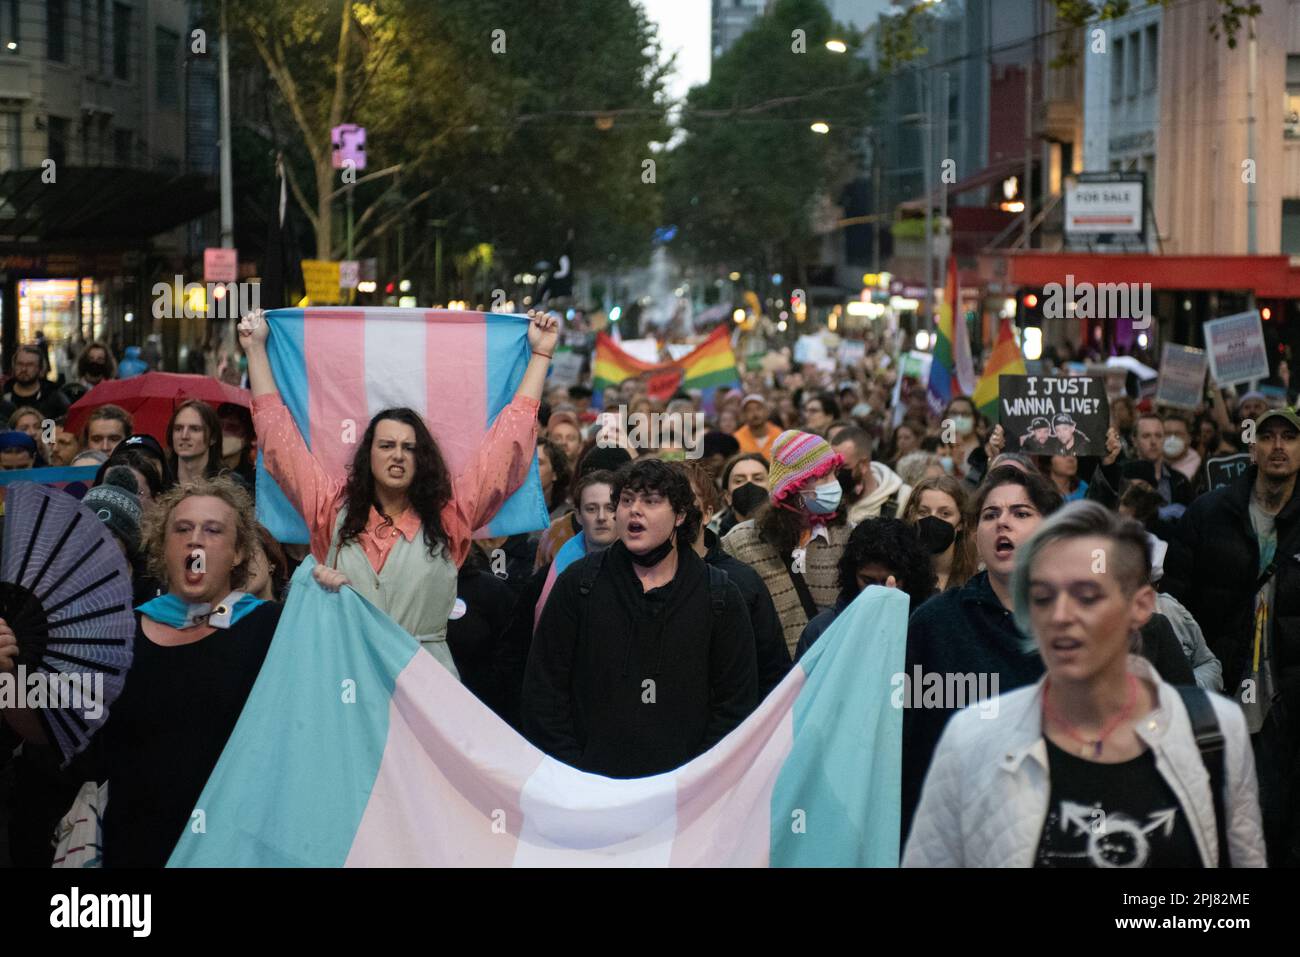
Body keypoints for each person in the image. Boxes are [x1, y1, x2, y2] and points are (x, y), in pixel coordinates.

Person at [904, 501, 1266, 868]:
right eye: (1044, 597)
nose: (1062, 616)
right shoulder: (970, 739)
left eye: (1087, 595)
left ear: (1140, 607)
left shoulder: (1214, 732)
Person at [240, 307, 557, 678]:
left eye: (409, 448)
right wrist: (255, 350)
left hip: (424, 685)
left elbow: (510, 446)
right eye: (387, 445)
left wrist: (541, 355)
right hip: (345, 677)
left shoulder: (449, 516)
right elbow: (280, 444)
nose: (398, 455)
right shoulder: (329, 510)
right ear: (367, 453)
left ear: (422, 459)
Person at [0, 476, 282, 867]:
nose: (195, 540)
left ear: (237, 553)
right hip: (136, 849)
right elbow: (48, 732)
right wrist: (6, 676)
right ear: (161, 547)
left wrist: (336, 594)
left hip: (232, 852)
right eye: (182, 529)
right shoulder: (116, 638)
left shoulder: (273, 628)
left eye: (213, 530)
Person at [521, 458, 758, 777]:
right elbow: (543, 691)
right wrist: (577, 773)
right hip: (589, 789)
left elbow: (736, 706)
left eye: (651, 501)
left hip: (687, 796)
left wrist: (695, 780)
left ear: (680, 515)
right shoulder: (579, 584)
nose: (635, 510)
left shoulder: (720, 595)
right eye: (627, 500)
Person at [1163, 406, 1300, 865]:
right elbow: (1175, 604)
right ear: (1252, 447)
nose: (1278, 446)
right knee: (1213, 813)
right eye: (1268, 437)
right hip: (1221, 687)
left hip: (1286, 696)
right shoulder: (1209, 512)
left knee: (1276, 817)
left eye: (1290, 438)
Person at [722, 430, 851, 658]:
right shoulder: (741, 542)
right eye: (822, 476)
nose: (833, 484)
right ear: (793, 486)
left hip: (833, 672)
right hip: (774, 682)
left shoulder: (849, 535)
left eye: (834, 473)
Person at [678, 460, 791, 700]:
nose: (678, 508)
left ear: (708, 512)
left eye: (687, 498)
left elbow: (771, 670)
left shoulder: (740, 581)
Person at [795, 518, 936, 661]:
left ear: (909, 577)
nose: (879, 590)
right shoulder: (822, 631)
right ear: (852, 576)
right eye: (869, 581)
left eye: (889, 581)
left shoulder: (930, 630)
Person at [900, 474, 977, 592]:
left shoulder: (976, 579)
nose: (933, 519)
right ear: (912, 516)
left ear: (961, 522)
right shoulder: (899, 573)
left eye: (945, 514)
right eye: (923, 512)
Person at [830, 425, 911, 522]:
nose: (837, 473)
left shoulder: (903, 498)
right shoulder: (830, 496)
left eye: (843, 466)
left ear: (863, 464)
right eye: (833, 467)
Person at [3, 344, 70, 420]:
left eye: (30, 365)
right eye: (20, 364)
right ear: (13, 366)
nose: (24, 369)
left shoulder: (54, 398)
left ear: (40, 368)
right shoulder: (3, 395)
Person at [710, 451, 769, 536]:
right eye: (739, 481)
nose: (749, 484)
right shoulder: (709, 534)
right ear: (728, 496)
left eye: (758, 479)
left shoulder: (789, 532)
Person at [167, 399, 224, 484]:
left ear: (213, 438)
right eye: (178, 429)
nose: (184, 436)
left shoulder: (231, 485)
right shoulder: (159, 482)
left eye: (195, 429)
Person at [1162, 412, 1201, 482]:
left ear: (1189, 438)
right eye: (1167, 433)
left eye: (1178, 434)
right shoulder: (1151, 462)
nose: (1172, 439)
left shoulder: (1199, 468)